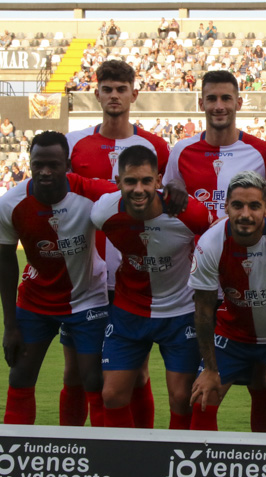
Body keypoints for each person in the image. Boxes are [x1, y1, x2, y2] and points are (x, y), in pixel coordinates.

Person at [163, 69, 266, 432]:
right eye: (212, 98)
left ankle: (265, 455)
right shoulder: (182, 151)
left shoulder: (263, 150)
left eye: (226, 98)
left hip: (252, 272)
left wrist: (251, 219)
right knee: (207, 379)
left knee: (259, 377)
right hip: (203, 273)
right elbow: (171, 201)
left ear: (239, 103)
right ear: (201, 102)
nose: (219, 106)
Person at [65, 59, 174, 429]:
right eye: (107, 89)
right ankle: (80, 449)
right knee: (81, 371)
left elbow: (170, 207)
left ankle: (138, 449)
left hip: (136, 277)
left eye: (121, 89)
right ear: (96, 93)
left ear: (134, 94)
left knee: (137, 371)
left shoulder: (156, 146)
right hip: (86, 276)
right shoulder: (73, 143)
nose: (114, 95)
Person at [0, 131, 115, 425]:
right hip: (36, 301)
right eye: (38, 164)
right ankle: (15, 455)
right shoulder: (11, 203)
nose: (45, 172)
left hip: (88, 298)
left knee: (93, 380)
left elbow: (134, 194)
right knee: (20, 374)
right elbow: (6, 259)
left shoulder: (89, 193)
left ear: (67, 164)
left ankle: (96, 455)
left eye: (53, 165)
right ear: (30, 163)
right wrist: (10, 325)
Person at [91, 146, 213, 428]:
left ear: (158, 181)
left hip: (180, 312)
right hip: (129, 310)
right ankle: (126, 467)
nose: (138, 189)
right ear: (118, 182)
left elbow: (215, 245)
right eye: (130, 181)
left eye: (146, 181)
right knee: (111, 394)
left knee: (182, 397)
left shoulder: (189, 213)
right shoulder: (103, 213)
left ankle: (175, 466)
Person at [188, 171, 266, 433]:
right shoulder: (210, 243)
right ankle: (202, 470)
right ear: (226, 207)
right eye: (238, 205)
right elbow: (202, 311)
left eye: (254, 206)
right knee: (204, 397)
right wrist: (210, 369)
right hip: (232, 335)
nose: (245, 214)